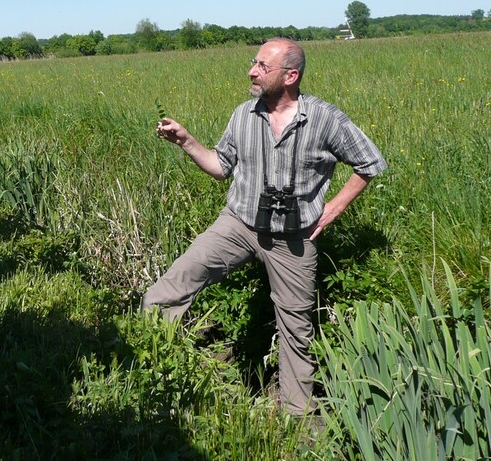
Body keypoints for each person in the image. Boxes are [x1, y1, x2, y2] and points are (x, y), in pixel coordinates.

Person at [142, 38, 387, 417]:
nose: (251, 72)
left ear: (291, 76)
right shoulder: (244, 114)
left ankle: (297, 417)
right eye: (253, 63)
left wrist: (333, 209)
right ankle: (152, 373)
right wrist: (186, 141)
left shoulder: (324, 119)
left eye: (261, 66)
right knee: (170, 287)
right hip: (238, 225)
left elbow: (370, 163)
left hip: (293, 241)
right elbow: (221, 167)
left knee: (296, 330)